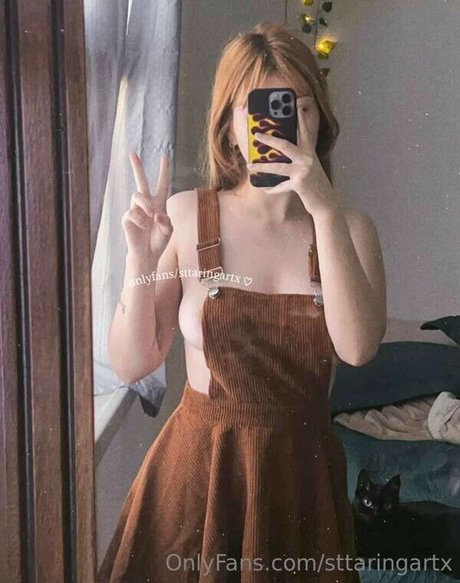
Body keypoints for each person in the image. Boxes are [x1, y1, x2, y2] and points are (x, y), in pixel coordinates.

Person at [98, 21, 386, 583]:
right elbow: (133, 363)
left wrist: (324, 210)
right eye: (259, 109)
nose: (282, 126)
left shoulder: (351, 229)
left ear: (320, 119)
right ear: (230, 128)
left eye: (298, 107)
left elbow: (357, 349)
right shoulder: (186, 215)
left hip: (300, 481)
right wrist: (137, 263)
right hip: (197, 478)